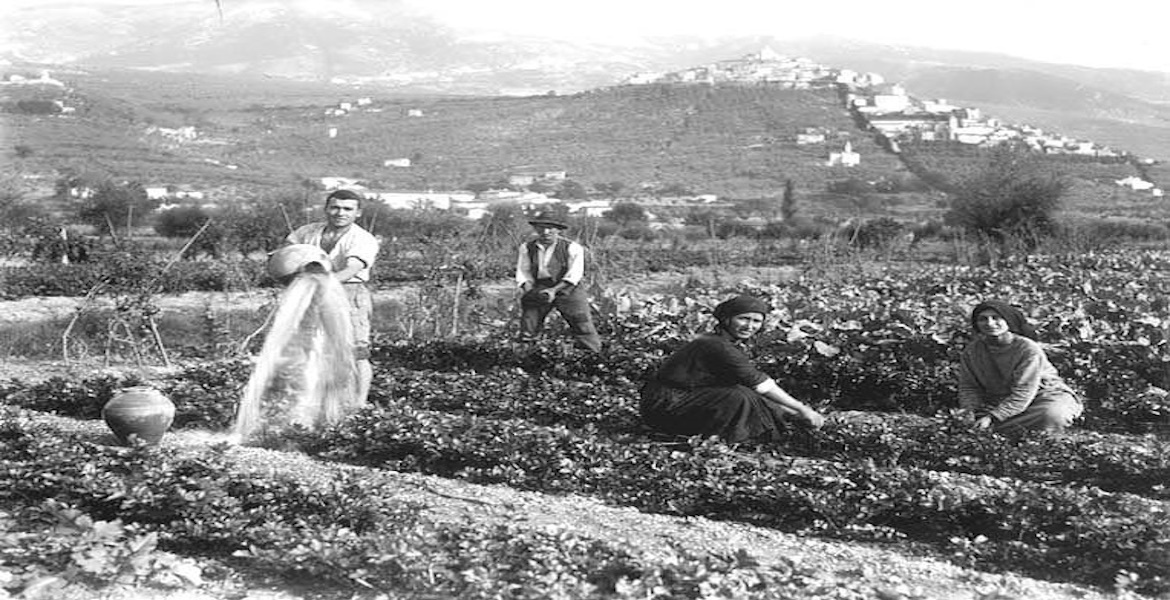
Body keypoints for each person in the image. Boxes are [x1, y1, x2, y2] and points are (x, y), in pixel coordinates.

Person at [639, 294, 825, 444]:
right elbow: (759, 383)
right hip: (664, 407)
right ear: (727, 319)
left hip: (680, 400)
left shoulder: (722, 341)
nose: (749, 326)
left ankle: (782, 425)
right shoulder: (716, 345)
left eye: (756, 321)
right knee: (737, 397)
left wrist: (792, 413)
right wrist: (803, 410)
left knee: (741, 392)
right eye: (743, 319)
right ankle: (721, 441)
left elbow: (748, 383)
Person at [285, 189, 381, 404]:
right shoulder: (308, 232)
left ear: (358, 213)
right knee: (311, 346)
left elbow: (350, 270)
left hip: (349, 294)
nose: (340, 213)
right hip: (311, 294)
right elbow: (289, 254)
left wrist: (323, 283)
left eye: (347, 209)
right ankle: (314, 400)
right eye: (335, 207)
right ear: (326, 209)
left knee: (357, 351)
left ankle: (358, 404)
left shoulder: (362, 239)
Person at [957, 299, 1083, 437]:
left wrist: (992, 417)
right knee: (969, 424)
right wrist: (969, 412)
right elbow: (969, 387)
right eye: (983, 319)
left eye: (996, 318)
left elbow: (1024, 391)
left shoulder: (1027, 349)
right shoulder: (972, 351)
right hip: (1003, 400)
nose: (990, 323)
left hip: (1043, 397)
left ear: (1008, 321)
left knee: (1051, 414)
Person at [515, 212, 602, 352]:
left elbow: (574, 275)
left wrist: (554, 291)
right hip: (540, 287)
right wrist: (529, 290)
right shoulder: (526, 248)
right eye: (541, 228)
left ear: (558, 230)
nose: (545, 232)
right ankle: (523, 359)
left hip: (568, 289)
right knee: (528, 326)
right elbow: (523, 271)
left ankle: (594, 356)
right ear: (536, 229)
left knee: (582, 325)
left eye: (550, 228)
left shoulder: (573, 248)